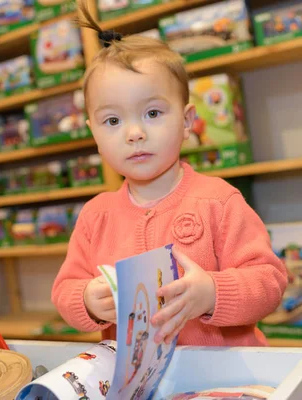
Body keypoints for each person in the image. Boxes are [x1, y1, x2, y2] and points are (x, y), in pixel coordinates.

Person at [51, 0, 288, 347]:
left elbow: (269, 282)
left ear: (187, 121)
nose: (134, 133)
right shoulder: (94, 217)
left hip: (226, 378)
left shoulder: (218, 201)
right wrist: (87, 300)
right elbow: (65, 290)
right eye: (113, 121)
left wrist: (212, 292)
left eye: (152, 113)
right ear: (94, 134)